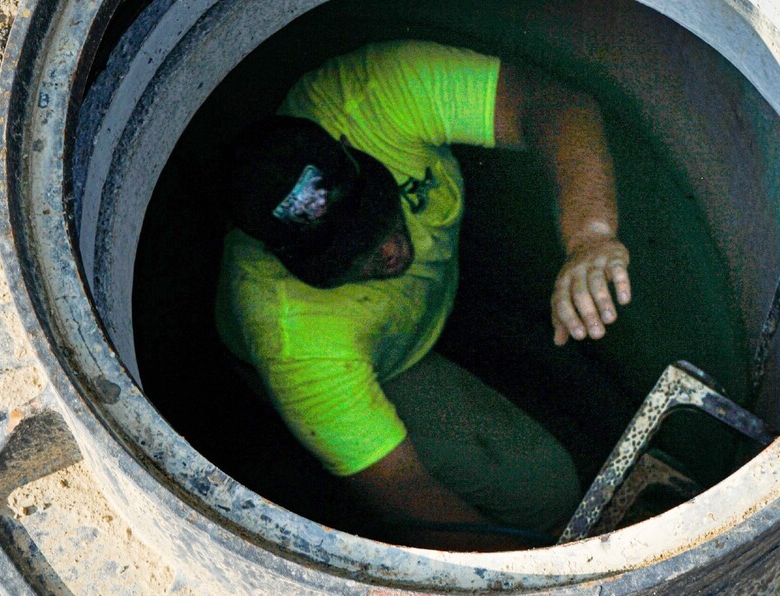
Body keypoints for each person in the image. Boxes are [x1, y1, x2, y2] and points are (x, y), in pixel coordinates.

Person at [216, 40, 631, 550]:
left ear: (350, 146)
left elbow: (553, 106)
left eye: (375, 214)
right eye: (351, 255)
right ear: (287, 259)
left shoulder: (374, 96)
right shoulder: (292, 338)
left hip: (416, 311)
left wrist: (589, 237)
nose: (388, 251)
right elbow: (401, 489)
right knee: (544, 488)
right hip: (383, 364)